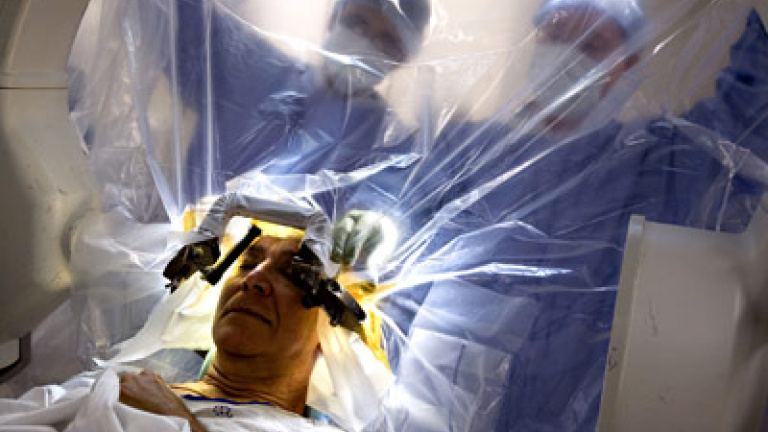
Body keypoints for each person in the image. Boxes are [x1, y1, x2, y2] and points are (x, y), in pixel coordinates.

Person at [331, 1, 768, 430]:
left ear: (627, 64)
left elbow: (747, 117)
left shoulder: (651, 164)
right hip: (425, 403)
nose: (567, 53)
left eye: (591, 44)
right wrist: (377, 217)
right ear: (535, 39)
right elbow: (399, 188)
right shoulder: (468, 147)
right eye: (557, 35)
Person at [174, 0, 431, 207]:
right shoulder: (253, 69)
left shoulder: (392, 143)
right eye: (356, 23)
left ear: (402, 58)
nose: (364, 45)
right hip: (187, 245)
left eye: (386, 41)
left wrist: (373, 222)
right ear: (333, 18)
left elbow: (392, 206)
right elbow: (179, 19)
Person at [118, 233, 343, 431]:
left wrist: (176, 420)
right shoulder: (123, 386)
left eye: (294, 275)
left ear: (337, 331)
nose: (252, 279)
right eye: (246, 265)